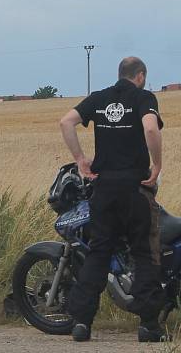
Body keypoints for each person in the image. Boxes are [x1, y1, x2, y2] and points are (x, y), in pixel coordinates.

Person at [59, 56, 167, 343]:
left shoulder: (99, 98)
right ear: (140, 76)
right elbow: (150, 128)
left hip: (103, 190)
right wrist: (156, 166)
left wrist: (80, 160)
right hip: (135, 189)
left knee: (98, 253)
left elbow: (66, 122)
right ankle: (148, 326)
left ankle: (81, 323)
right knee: (144, 254)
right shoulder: (144, 97)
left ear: (119, 74)